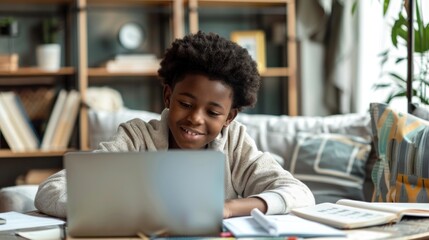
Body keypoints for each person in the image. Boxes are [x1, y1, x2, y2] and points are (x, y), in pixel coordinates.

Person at [35, 31, 315, 219]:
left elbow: (299, 194)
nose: (196, 118)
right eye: (186, 103)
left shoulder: (235, 144)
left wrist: (227, 208)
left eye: (213, 112)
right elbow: (51, 191)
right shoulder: (136, 138)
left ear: (229, 117)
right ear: (168, 96)